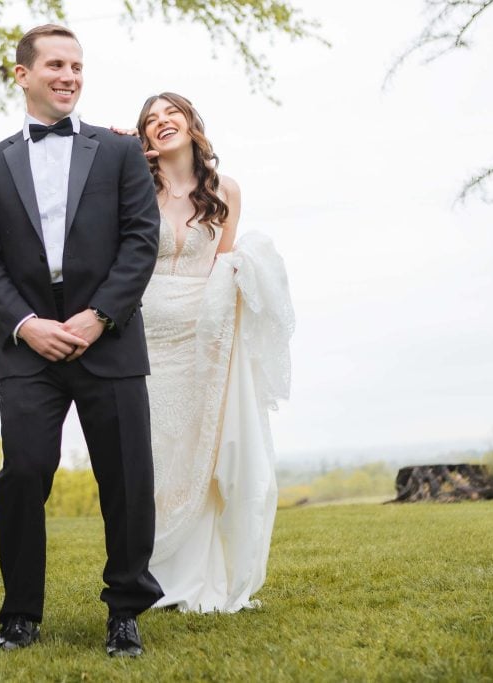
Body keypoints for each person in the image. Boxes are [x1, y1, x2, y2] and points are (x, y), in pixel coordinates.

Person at [0, 25, 164, 656]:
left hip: (109, 334)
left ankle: (125, 609)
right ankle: (19, 613)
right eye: (55, 64)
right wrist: (26, 325)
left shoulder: (120, 152)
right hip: (29, 344)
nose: (69, 76)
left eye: (77, 66)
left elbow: (140, 240)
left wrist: (98, 315)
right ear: (22, 75)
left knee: (127, 477)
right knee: (22, 473)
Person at [134, 92, 294, 613]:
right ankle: (154, 574)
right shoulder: (136, 188)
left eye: (170, 114)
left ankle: (202, 576)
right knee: (157, 454)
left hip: (204, 336)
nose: (162, 124)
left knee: (203, 449)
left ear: (191, 123)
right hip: (147, 340)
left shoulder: (225, 191)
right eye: (151, 120)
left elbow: (223, 266)